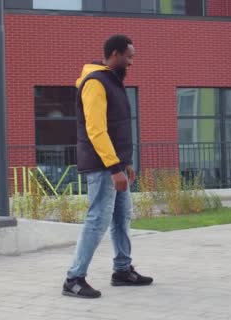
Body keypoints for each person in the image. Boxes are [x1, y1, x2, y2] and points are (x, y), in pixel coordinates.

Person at [62, 34, 153, 299]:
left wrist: (125, 163)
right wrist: (114, 168)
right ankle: (73, 278)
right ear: (115, 54)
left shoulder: (112, 82)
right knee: (97, 220)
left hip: (116, 164)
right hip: (103, 166)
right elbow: (96, 129)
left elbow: (117, 128)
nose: (131, 62)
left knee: (121, 217)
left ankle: (122, 270)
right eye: (129, 57)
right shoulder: (95, 83)